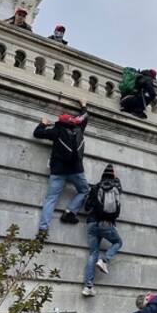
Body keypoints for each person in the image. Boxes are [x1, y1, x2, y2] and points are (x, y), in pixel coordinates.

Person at [33, 98, 90, 236]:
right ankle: (70, 212)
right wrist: (83, 105)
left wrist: (43, 123)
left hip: (58, 171)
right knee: (84, 190)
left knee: (51, 199)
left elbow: (37, 134)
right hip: (76, 170)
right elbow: (85, 117)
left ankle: (43, 229)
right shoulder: (78, 128)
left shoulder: (57, 130)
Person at [81, 164, 123, 297]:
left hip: (92, 223)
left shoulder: (95, 187)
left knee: (93, 253)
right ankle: (105, 260)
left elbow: (86, 207)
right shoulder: (115, 188)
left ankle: (88, 286)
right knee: (118, 242)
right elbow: (117, 210)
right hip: (106, 223)